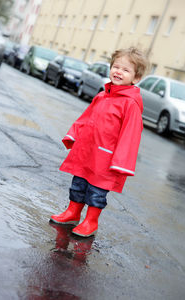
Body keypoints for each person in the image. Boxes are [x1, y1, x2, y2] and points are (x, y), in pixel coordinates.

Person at [50, 47, 148, 237]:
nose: (118, 71)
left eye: (125, 70)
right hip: (86, 152)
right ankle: (73, 213)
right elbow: (85, 118)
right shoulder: (102, 96)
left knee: (96, 192)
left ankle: (91, 221)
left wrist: (121, 163)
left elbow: (131, 135)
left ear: (136, 78)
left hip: (106, 159)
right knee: (78, 184)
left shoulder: (131, 104)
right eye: (116, 66)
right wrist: (73, 134)